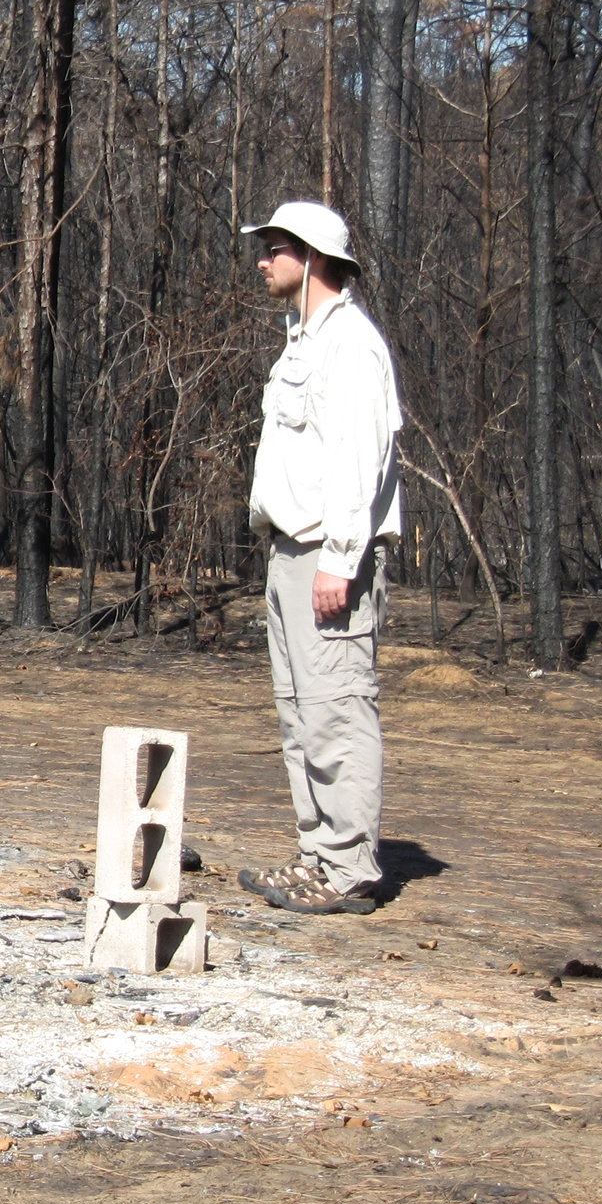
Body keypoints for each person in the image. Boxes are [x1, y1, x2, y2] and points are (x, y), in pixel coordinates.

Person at [234, 201, 403, 916]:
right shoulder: (302, 342)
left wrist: (340, 558)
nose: (263, 260)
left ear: (311, 256)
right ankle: (318, 854)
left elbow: (360, 463)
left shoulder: (351, 345)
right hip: (289, 553)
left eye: (274, 248)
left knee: (336, 708)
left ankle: (348, 869)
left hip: (328, 559)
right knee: (301, 715)